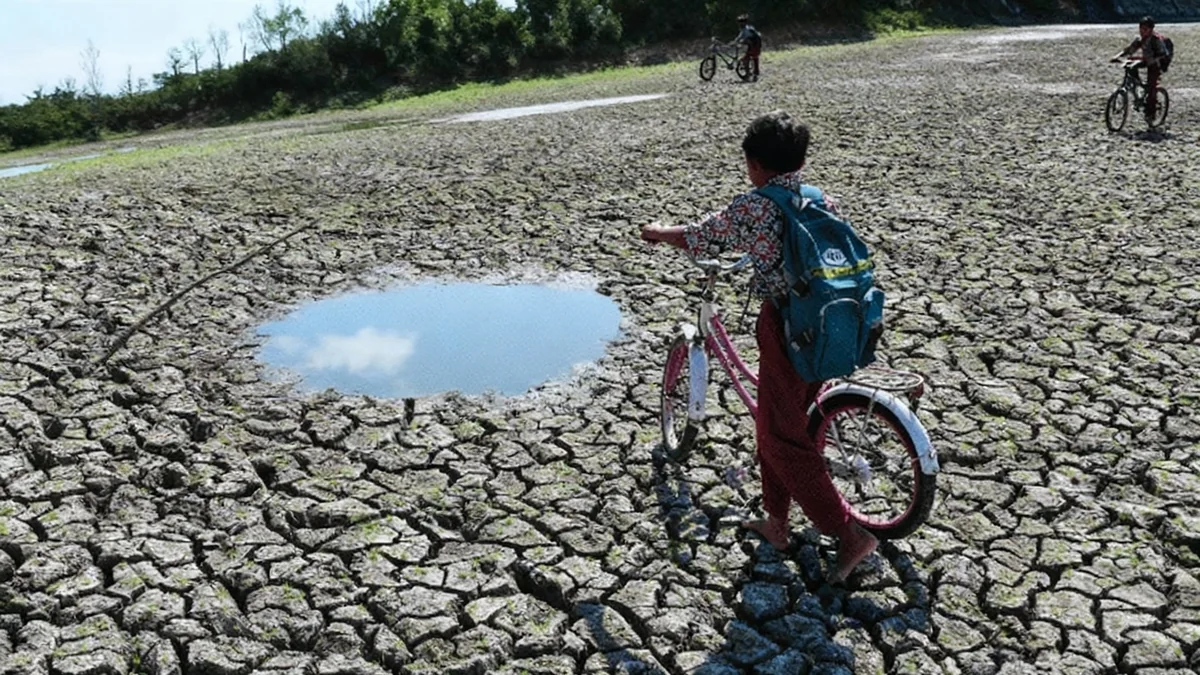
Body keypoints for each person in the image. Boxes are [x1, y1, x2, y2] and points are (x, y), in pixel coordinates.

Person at [640, 111, 877, 583]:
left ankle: (848, 534)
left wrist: (658, 233)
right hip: (830, 320)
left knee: (777, 437)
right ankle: (777, 522)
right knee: (781, 422)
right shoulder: (816, 198)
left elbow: (699, 237)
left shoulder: (757, 206)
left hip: (788, 326)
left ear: (754, 163)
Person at [1111, 15, 1169, 124]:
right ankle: (1137, 85)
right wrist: (1117, 56)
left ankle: (1151, 114)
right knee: (1130, 67)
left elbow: (1163, 53)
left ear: (1151, 30)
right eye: (1141, 29)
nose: (1142, 31)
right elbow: (1129, 50)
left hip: (1155, 63)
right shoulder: (1140, 39)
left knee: (1151, 88)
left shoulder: (1155, 39)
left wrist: (1153, 59)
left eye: (1145, 29)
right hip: (1145, 60)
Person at [732, 14, 762, 82]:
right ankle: (753, 74)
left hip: (754, 46)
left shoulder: (747, 30)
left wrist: (738, 42)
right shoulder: (748, 28)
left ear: (744, 23)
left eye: (740, 23)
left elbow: (744, 38)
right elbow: (740, 37)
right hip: (753, 46)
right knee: (753, 59)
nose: (739, 24)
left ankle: (750, 75)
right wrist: (735, 41)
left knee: (748, 59)